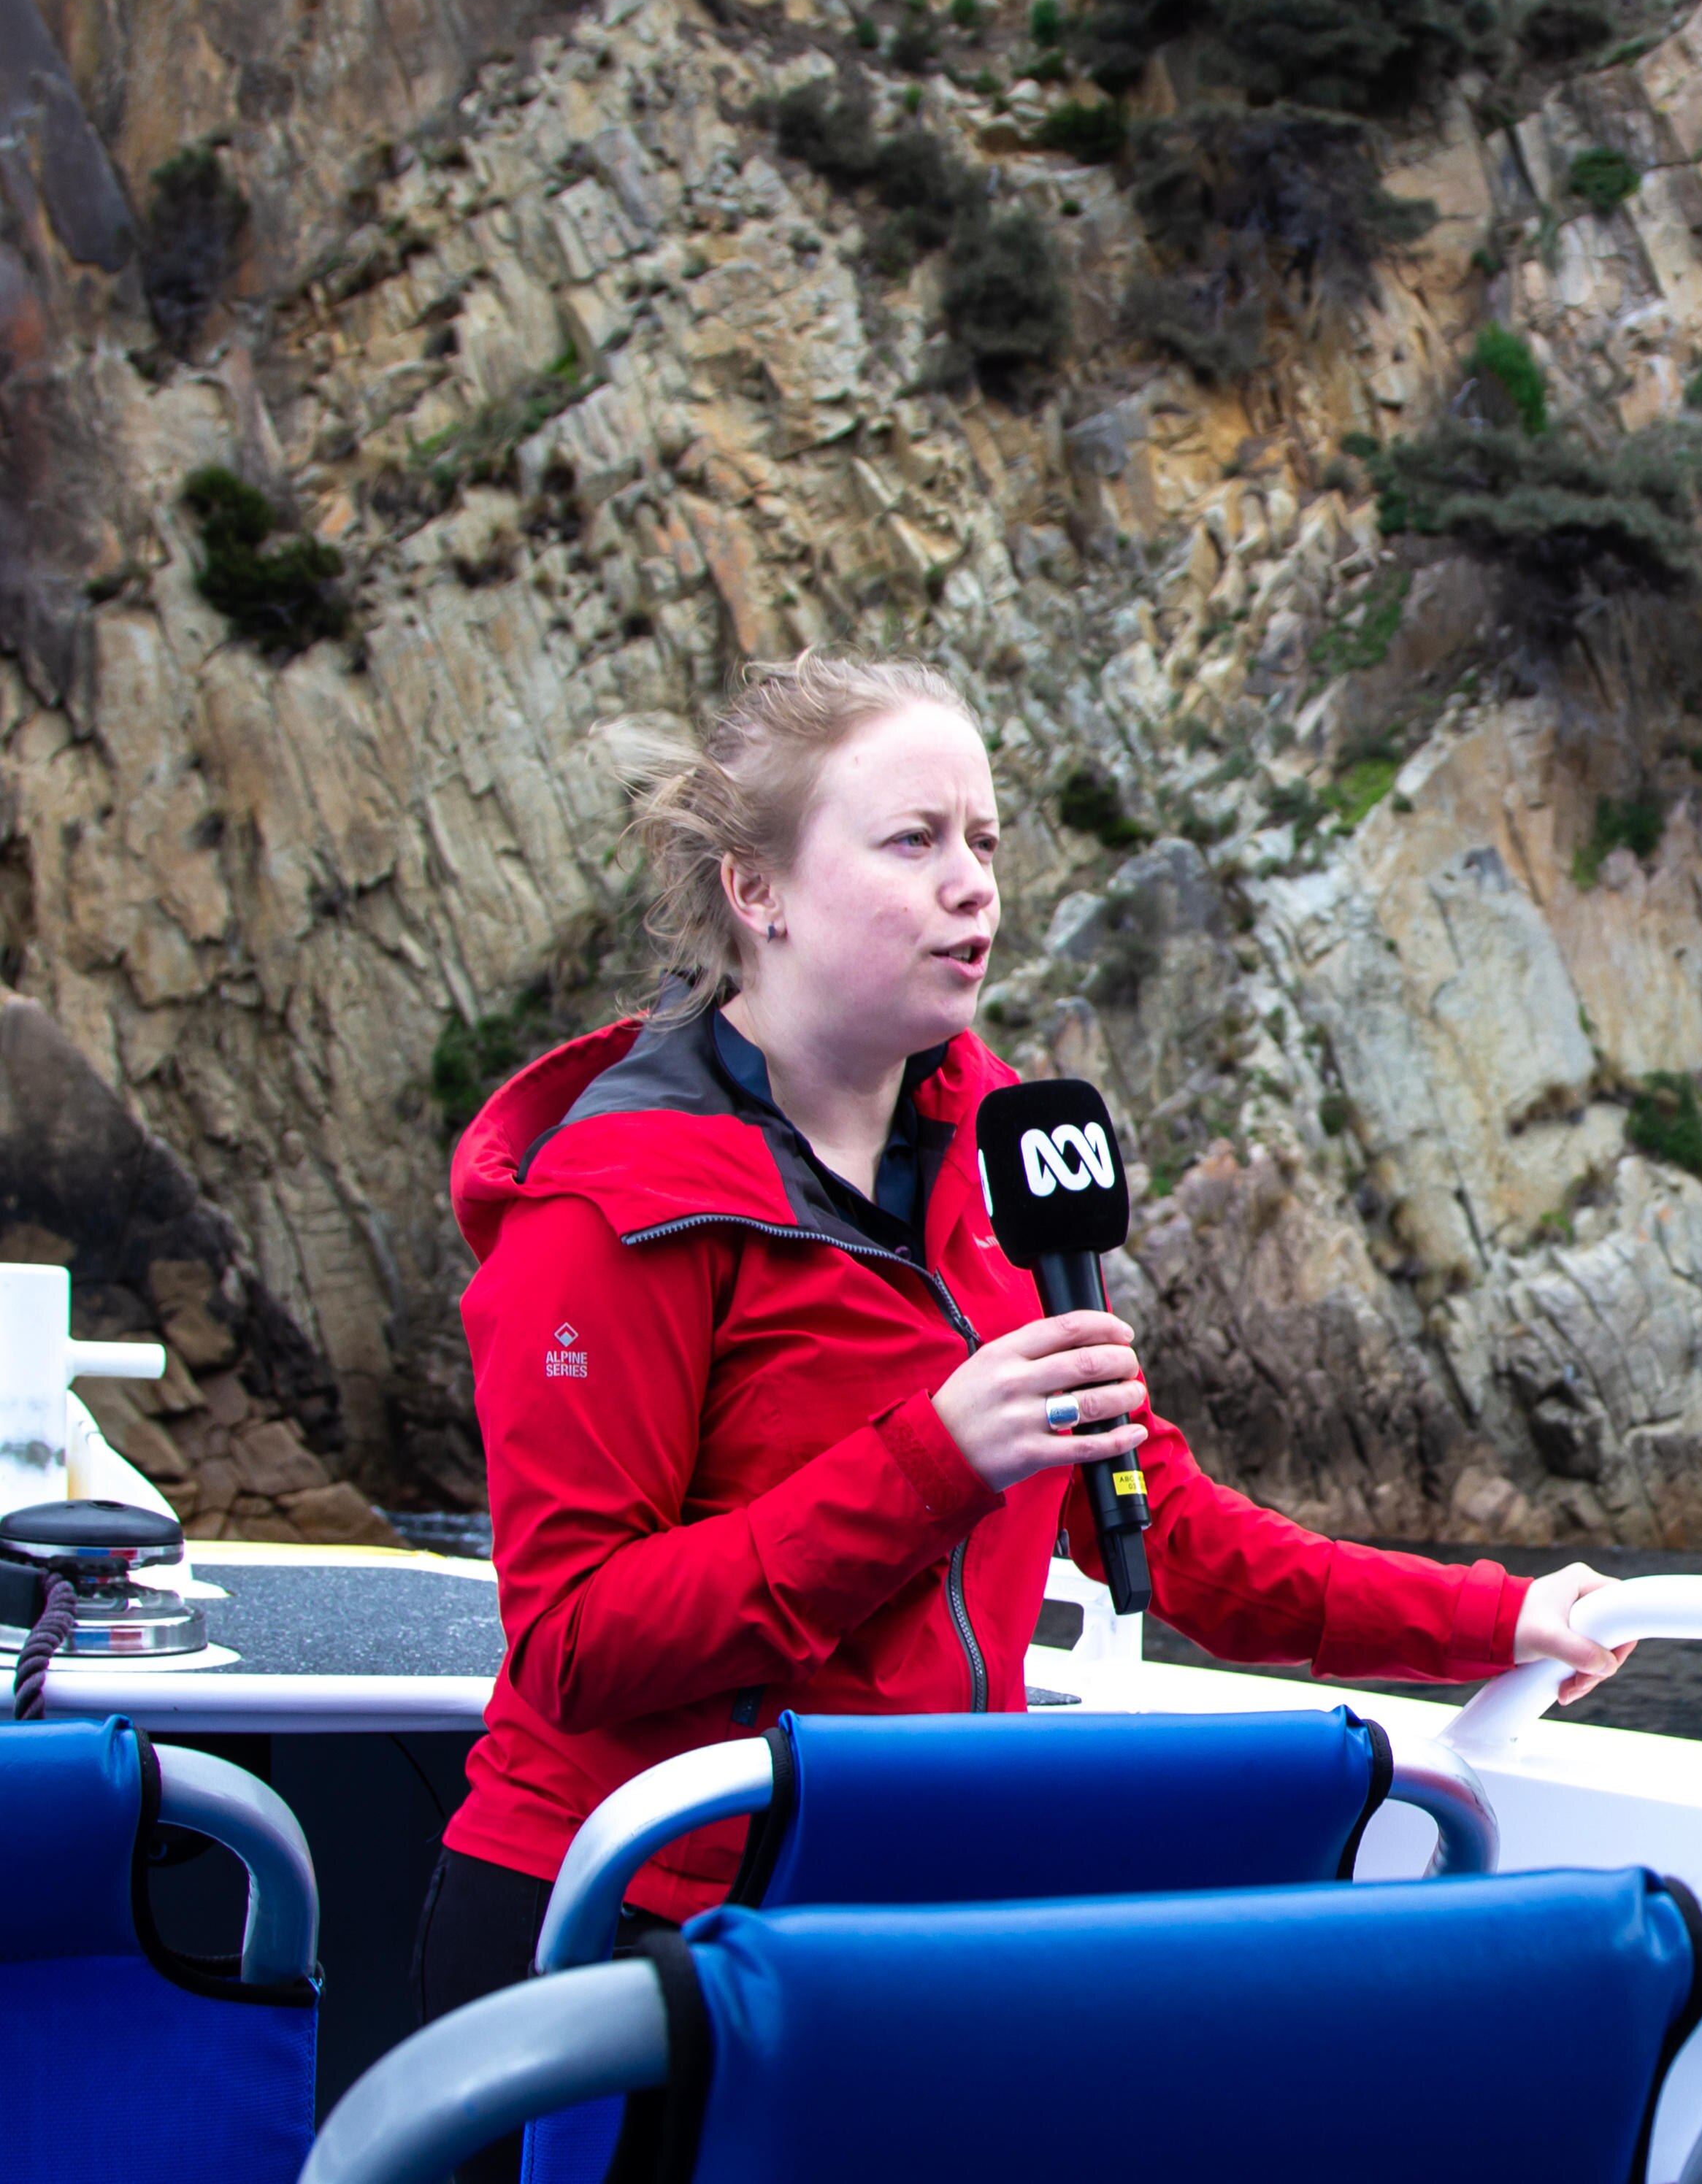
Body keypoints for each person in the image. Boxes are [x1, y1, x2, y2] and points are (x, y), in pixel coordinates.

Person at [412, 655, 1627, 2170]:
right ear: (758, 891)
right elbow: (576, 1639)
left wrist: (1493, 1614)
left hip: (905, 1916)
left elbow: (1162, 1528)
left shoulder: (1007, 1166)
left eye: (985, 841)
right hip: (622, 1927)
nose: (970, 885)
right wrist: (932, 1461)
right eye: (912, 840)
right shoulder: (612, 1203)